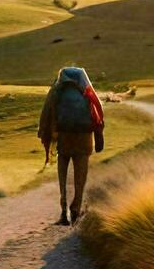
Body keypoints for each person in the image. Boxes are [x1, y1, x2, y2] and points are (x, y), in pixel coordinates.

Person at [37, 66, 105, 225]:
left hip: (64, 137)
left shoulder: (57, 90)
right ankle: (76, 209)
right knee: (80, 176)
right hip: (84, 137)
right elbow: (97, 108)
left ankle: (63, 210)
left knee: (63, 175)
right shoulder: (85, 88)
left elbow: (46, 111)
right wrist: (99, 134)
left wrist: (46, 134)